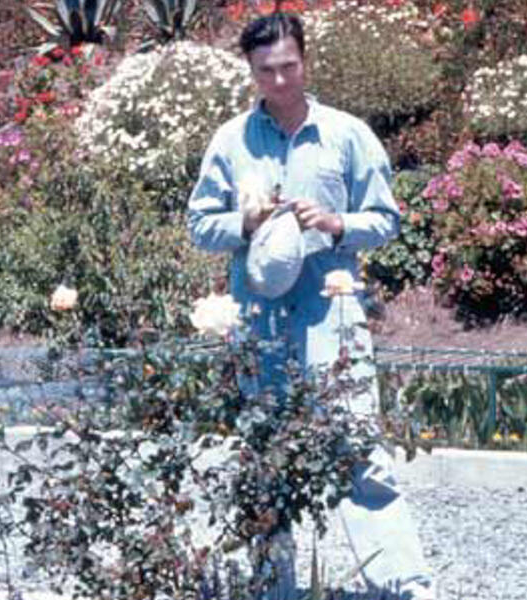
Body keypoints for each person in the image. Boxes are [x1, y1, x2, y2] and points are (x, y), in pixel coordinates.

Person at [186, 12, 435, 600]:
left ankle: (404, 586)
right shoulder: (230, 141)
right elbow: (199, 224)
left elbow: (387, 220)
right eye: (266, 70)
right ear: (251, 71)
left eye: (288, 67)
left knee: (358, 448)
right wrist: (244, 223)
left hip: (334, 319)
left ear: (306, 63)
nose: (279, 81)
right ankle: (275, 587)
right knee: (265, 451)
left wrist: (335, 222)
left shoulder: (347, 135)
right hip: (261, 320)